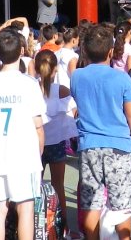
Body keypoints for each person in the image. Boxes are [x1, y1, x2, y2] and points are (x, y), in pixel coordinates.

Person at [70, 28, 131, 240]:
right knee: (121, 206)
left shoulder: (77, 76)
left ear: (84, 50)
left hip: (88, 145)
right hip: (118, 145)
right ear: (111, 52)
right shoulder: (121, 79)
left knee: (92, 204)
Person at [34, 49, 77, 234]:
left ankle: (35, 226)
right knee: (58, 185)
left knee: (35, 186)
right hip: (57, 143)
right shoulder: (62, 90)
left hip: (36, 144)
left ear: (36, 68)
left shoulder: (31, 89)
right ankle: (63, 228)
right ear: (55, 70)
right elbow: (74, 111)